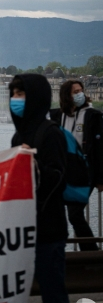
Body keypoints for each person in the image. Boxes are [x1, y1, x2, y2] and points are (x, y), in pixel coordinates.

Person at [9, 73, 79, 303]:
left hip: (48, 233)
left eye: (21, 94)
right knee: (13, 301)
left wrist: (33, 167)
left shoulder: (50, 133)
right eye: (13, 94)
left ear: (36, 97)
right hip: (21, 233)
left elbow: (58, 178)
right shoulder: (18, 136)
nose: (16, 100)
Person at [51, 79, 103, 251]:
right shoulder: (57, 116)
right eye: (75, 91)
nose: (80, 94)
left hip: (85, 172)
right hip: (63, 172)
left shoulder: (93, 116)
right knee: (56, 213)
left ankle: (92, 254)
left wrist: (100, 178)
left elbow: (100, 148)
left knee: (74, 214)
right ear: (66, 95)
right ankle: (61, 251)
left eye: (81, 90)